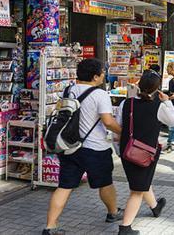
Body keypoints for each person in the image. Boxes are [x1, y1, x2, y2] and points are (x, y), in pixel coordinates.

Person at [42, 59, 123, 235]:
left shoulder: (69, 90)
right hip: (95, 149)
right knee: (105, 183)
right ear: (95, 76)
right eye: (102, 71)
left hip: (70, 146)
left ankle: (50, 226)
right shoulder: (100, 94)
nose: (104, 74)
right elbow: (108, 122)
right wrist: (123, 132)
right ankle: (113, 212)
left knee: (64, 186)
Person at [115, 71, 174, 235]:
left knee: (142, 182)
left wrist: (118, 150)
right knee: (137, 190)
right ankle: (125, 228)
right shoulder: (158, 106)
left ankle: (155, 207)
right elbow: (173, 123)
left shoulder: (126, 103)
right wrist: (167, 102)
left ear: (139, 84)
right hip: (146, 154)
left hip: (127, 151)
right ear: (158, 89)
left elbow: (118, 130)